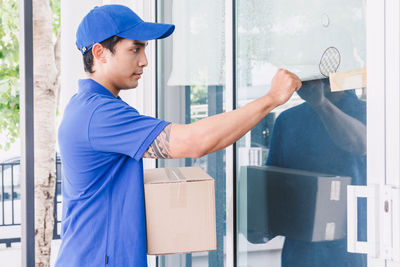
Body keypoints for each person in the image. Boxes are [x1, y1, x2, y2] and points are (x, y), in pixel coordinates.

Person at [55, 4, 302, 267]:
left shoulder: (90, 107)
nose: (144, 61)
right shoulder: (99, 114)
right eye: (134, 49)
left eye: (145, 49)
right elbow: (194, 142)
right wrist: (272, 98)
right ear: (100, 53)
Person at [266, 78, 367, 267]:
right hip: (301, 254)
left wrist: (320, 104)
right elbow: (271, 190)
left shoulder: (369, 112)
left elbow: (361, 144)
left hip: (353, 249)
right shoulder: (288, 121)